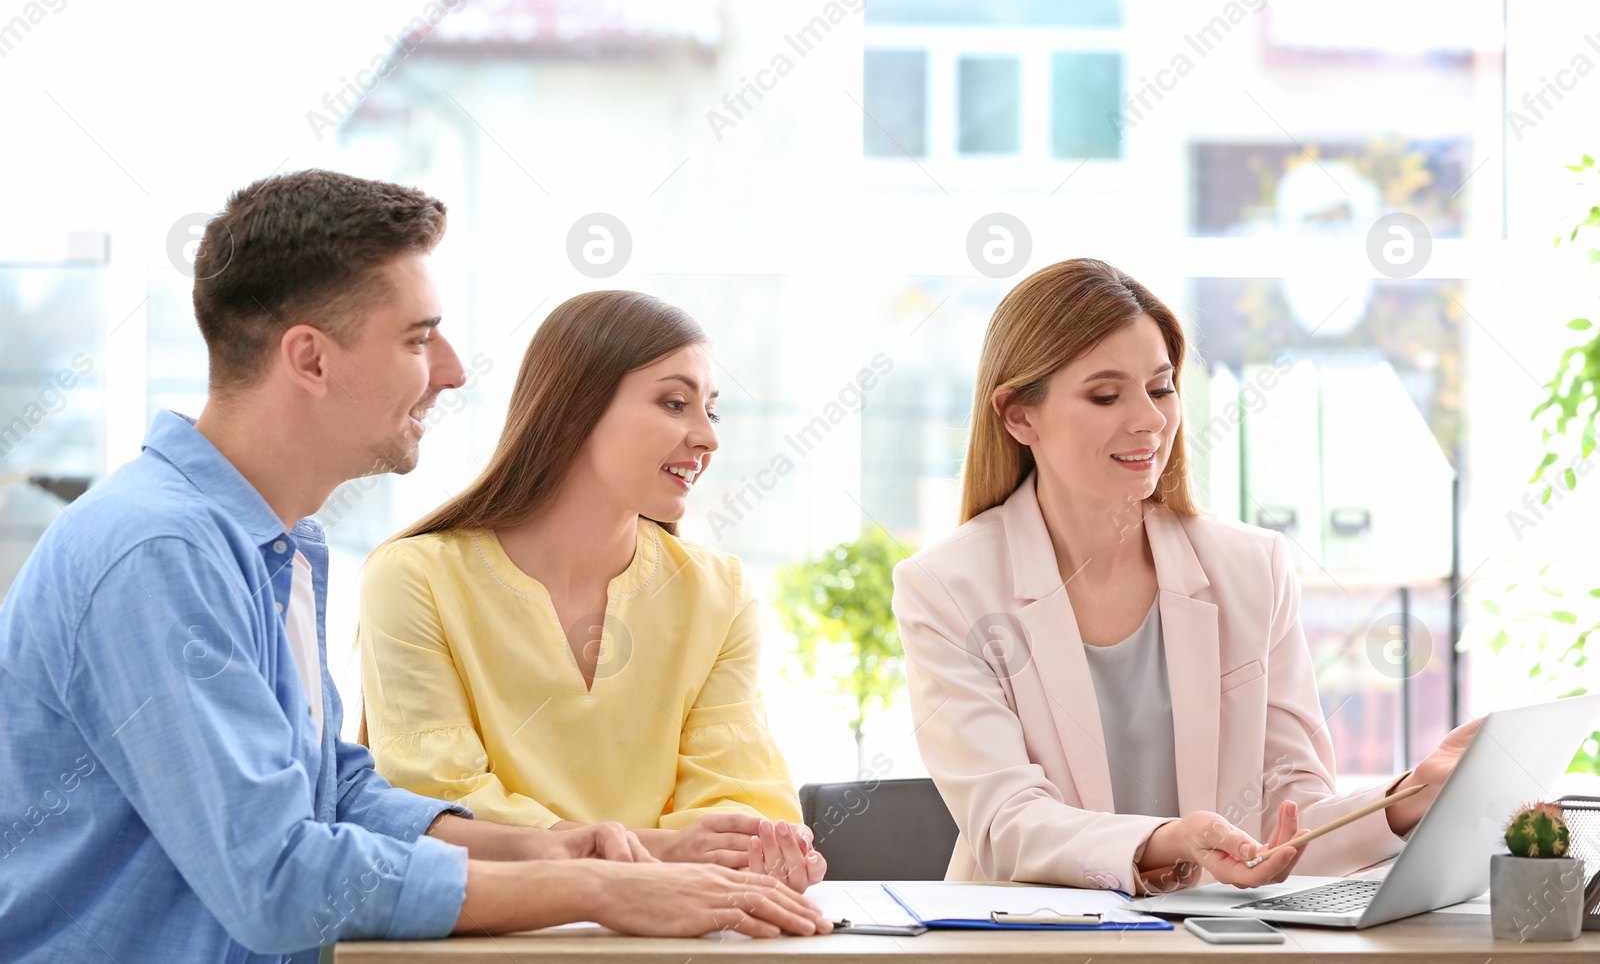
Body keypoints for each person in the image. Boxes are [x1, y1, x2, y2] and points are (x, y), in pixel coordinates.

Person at [0, 170, 827, 964]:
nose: (455, 372)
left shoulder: (275, 547)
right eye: (419, 339)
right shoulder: (159, 554)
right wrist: (591, 889)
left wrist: (547, 849)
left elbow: (335, 795)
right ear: (312, 360)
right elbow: (276, 877)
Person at [893, 258, 1480, 896]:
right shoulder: (946, 588)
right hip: (1036, 943)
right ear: (1018, 416)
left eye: (1161, 387)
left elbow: (1293, 814)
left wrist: (1406, 797)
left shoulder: (1252, 569)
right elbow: (1008, 824)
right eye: (1105, 395)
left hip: (1212, 943)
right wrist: (1166, 841)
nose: (1148, 419)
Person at [358, 290, 826, 892]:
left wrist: (747, 849)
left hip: (674, 940)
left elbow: (739, 800)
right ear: (575, 407)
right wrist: (665, 852)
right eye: (675, 402)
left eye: (713, 410)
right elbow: (435, 810)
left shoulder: (720, 592)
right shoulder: (413, 577)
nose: (706, 437)